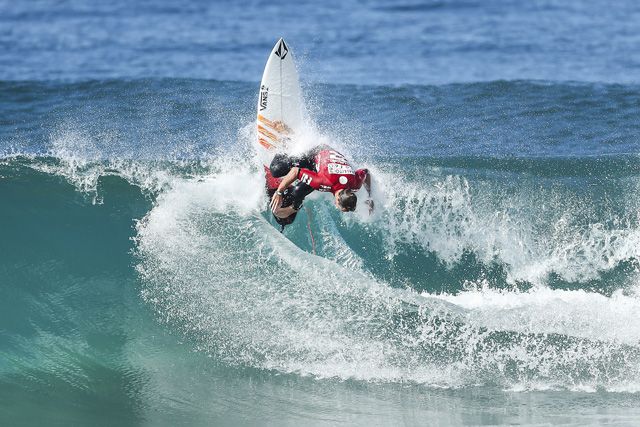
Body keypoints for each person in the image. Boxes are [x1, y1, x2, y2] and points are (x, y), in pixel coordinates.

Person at [268, 145, 372, 225]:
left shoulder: (355, 185)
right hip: (317, 153)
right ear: (338, 200)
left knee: (297, 192)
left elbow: (365, 172)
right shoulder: (323, 182)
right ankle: (284, 143)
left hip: (327, 162)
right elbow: (295, 171)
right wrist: (279, 192)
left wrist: (369, 196)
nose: (336, 207)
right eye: (339, 207)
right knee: (276, 170)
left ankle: (293, 205)